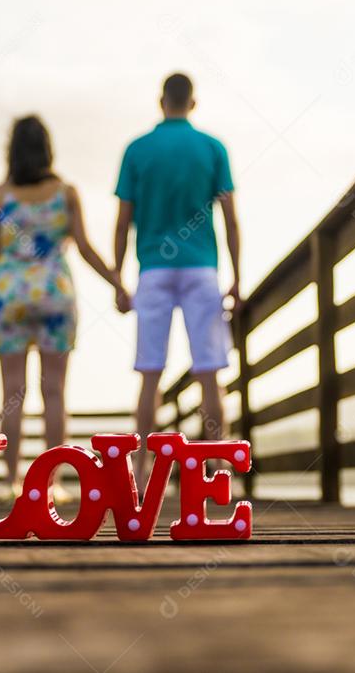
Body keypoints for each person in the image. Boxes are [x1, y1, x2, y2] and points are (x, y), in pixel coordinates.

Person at [0, 115, 128, 495]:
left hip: (8, 295)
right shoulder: (66, 193)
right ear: (47, 150)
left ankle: (10, 481)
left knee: (12, 392)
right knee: (55, 391)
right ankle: (52, 483)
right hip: (54, 294)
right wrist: (117, 283)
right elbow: (85, 248)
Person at [112, 73, 241, 482]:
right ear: (193, 103)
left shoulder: (137, 149)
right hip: (202, 267)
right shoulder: (212, 148)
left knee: (150, 373)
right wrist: (238, 278)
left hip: (153, 269)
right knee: (209, 372)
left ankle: (141, 470)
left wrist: (118, 279)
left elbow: (123, 223)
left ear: (161, 101)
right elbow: (231, 220)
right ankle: (219, 466)